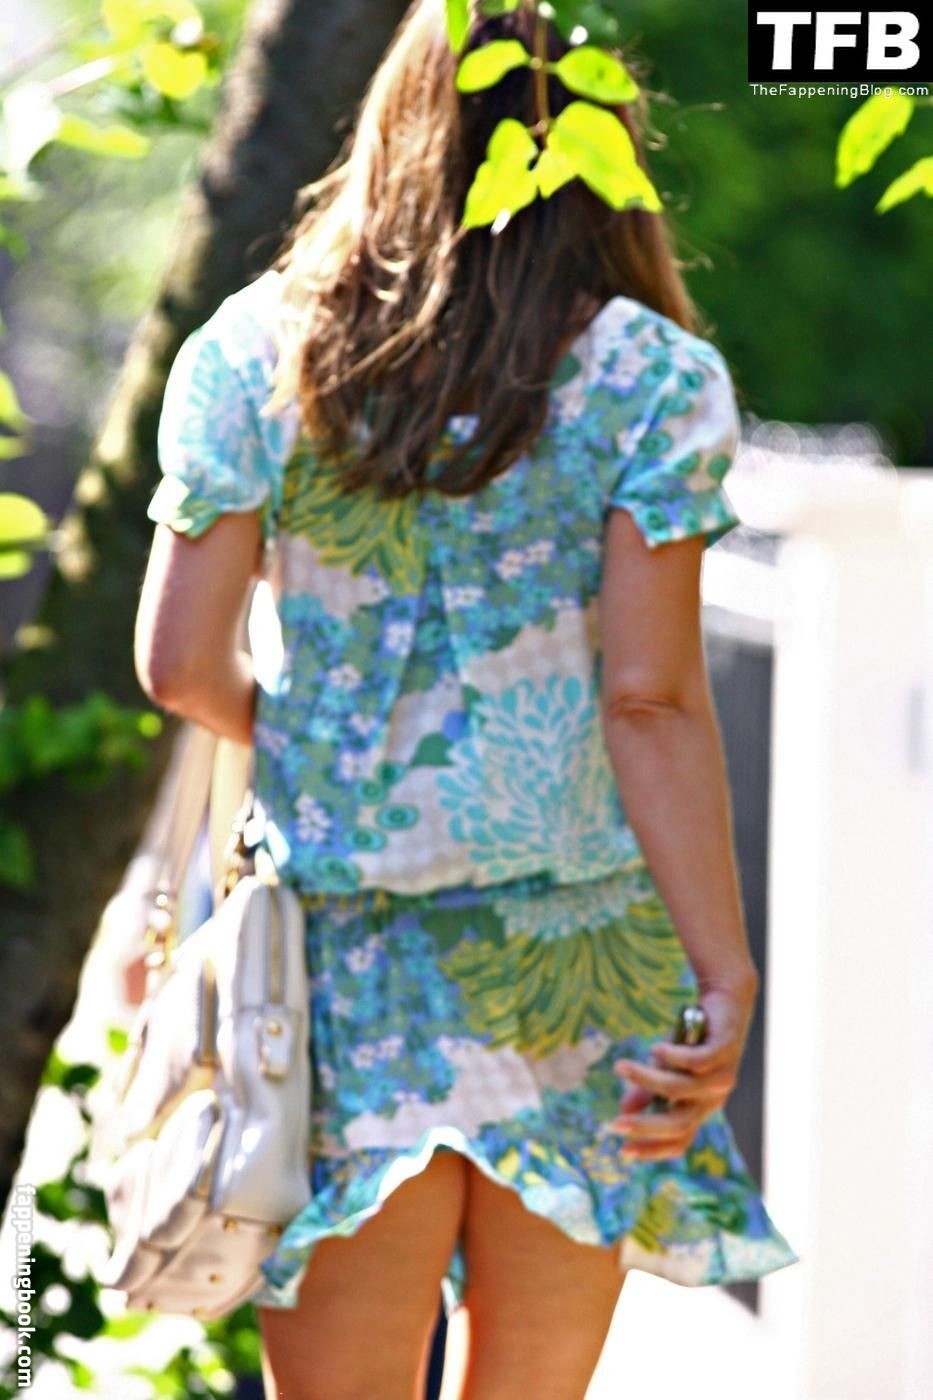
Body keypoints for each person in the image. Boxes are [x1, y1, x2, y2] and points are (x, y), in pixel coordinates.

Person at [133, 0, 799, 1395]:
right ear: (605, 154)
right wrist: (723, 973)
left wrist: (322, 741)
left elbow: (180, 664)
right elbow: (649, 702)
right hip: (577, 969)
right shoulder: (651, 380)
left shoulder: (256, 353)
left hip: (344, 971)